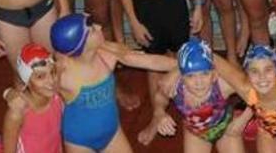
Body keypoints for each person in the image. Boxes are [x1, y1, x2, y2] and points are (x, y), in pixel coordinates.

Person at [50, 13, 179, 152]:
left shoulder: (107, 54)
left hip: (112, 133)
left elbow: (150, 61)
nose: (99, 27)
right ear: (81, 45)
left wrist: (181, 67)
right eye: (92, 29)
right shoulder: (62, 74)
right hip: (79, 142)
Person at [139, 39, 250, 151]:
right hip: (196, 133)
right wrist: (159, 112)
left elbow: (255, 92)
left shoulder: (222, 86)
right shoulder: (175, 87)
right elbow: (160, 96)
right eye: (191, 76)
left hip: (226, 128)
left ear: (214, 75)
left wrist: (243, 119)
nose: (199, 82)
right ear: (181, 78)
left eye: (205, 74)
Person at [1, 44, 65, 153]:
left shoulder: (58, 98)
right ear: (27, 81)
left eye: (52, 72)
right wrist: (8, 93)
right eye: (40, 76)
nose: (51, 81)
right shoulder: (17, 113)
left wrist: (7, 92)